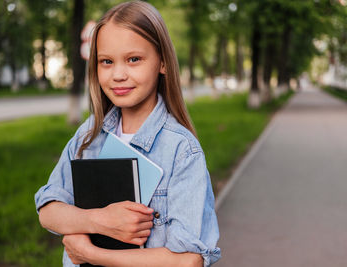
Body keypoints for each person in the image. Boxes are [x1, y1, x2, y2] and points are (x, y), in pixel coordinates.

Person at [34, 1, 221, 266]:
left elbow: (187, 261)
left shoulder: (181, 150)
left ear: (163, 63)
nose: (118, 74)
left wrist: (91, 254)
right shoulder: (89, 136)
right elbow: (49, 210)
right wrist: (101, 221)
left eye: (134, 59)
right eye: (107, 62)